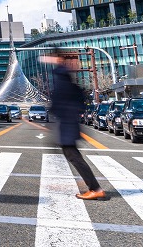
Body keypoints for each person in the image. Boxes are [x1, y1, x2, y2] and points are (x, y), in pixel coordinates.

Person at [43, 52, 107, 200]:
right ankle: (94, 187)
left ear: (59, 60)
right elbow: (79, 99)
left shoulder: (61, 78)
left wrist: (54, 109)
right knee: (72, 155)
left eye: (53, 58)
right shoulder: (66, 79)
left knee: (73, 156)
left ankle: (95, 188)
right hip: (68, 123)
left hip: (66, 125)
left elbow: (57, 101)